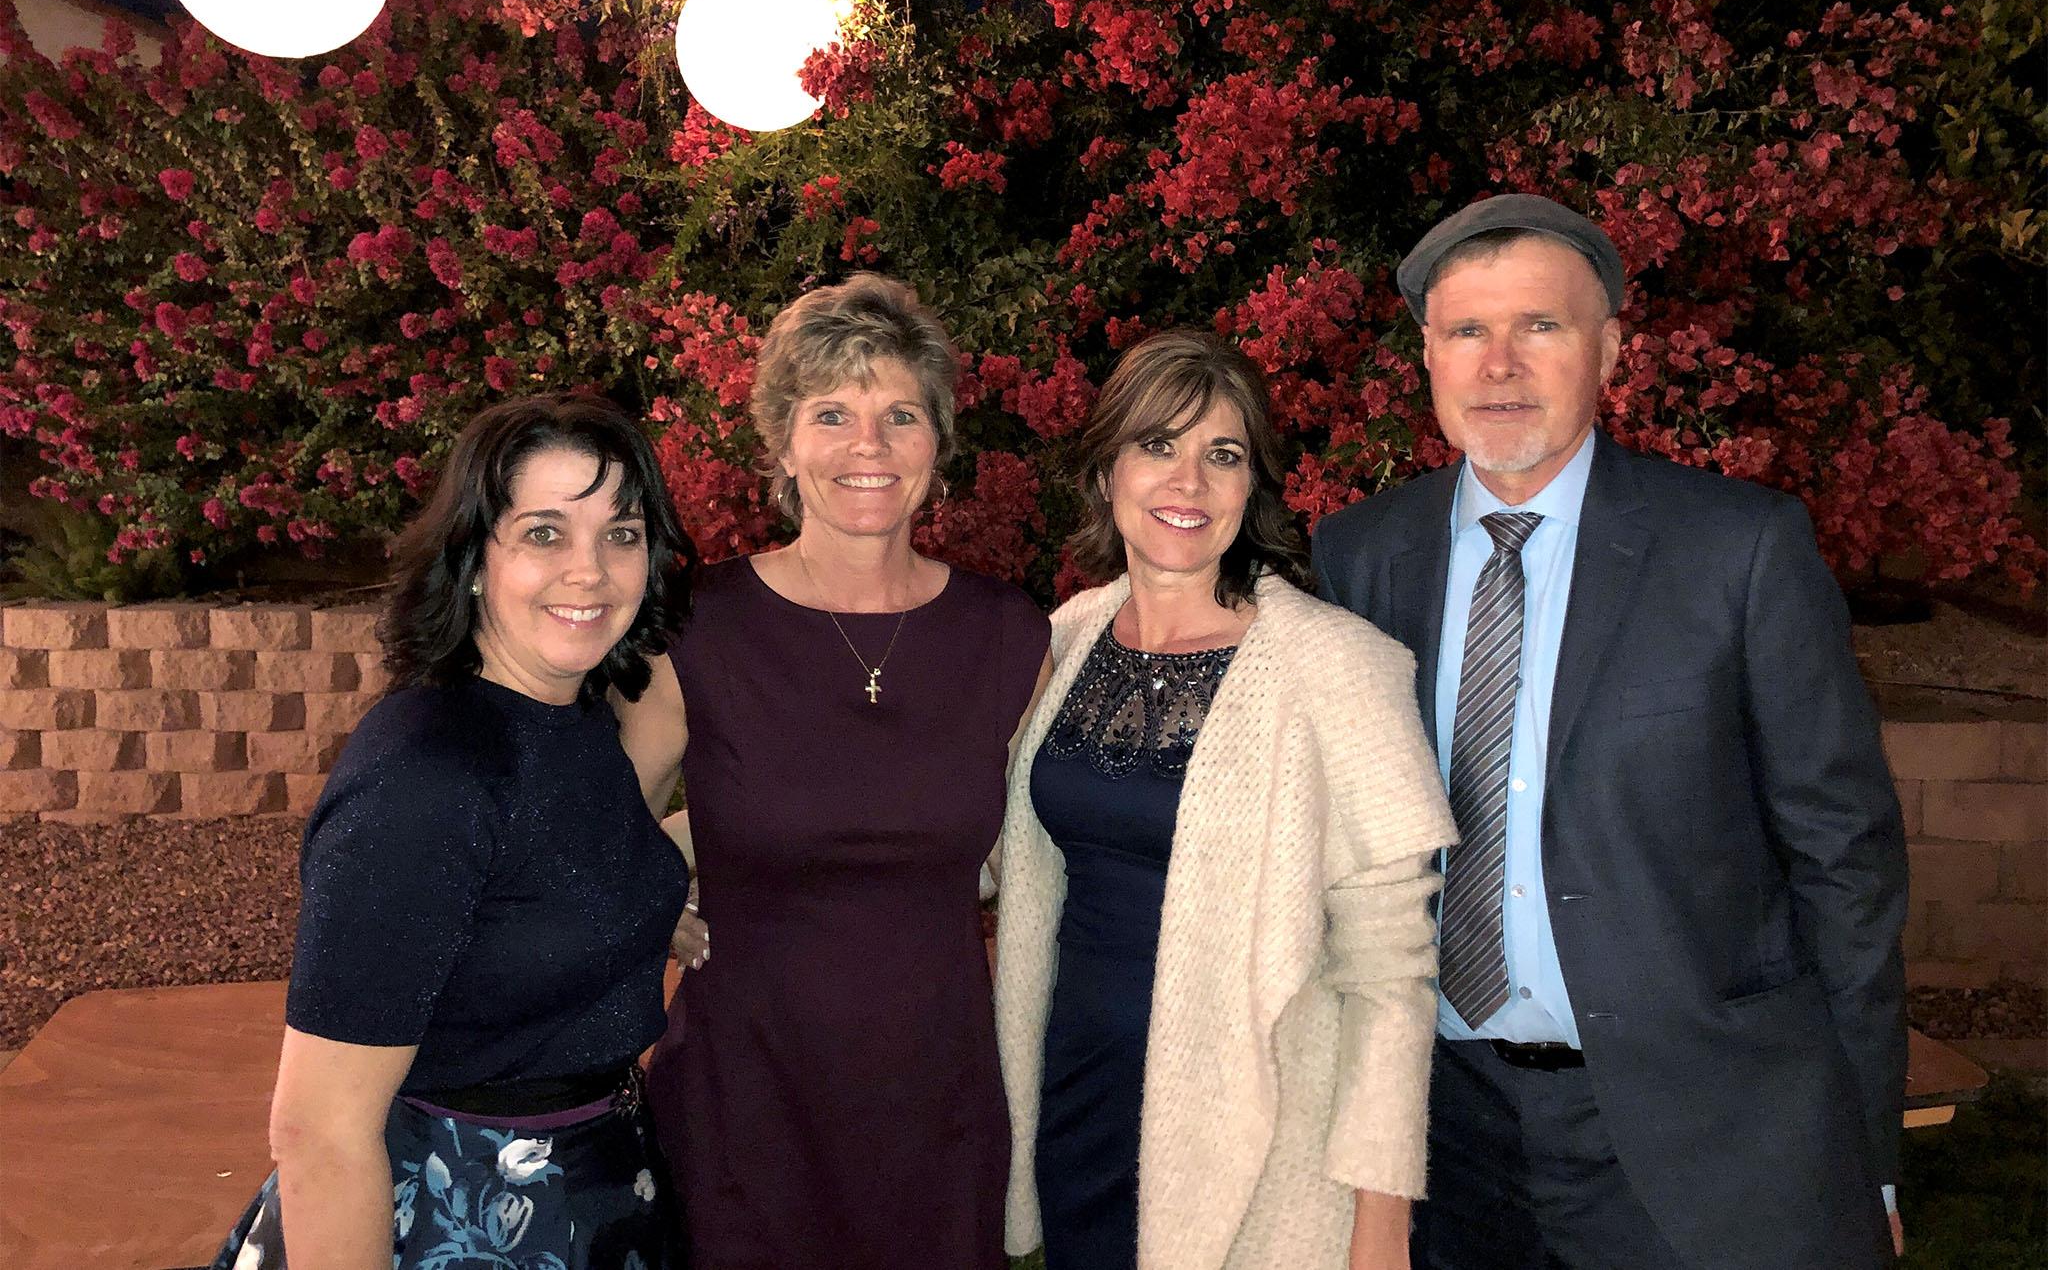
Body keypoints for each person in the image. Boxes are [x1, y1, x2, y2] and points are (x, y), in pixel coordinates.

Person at [1311, 194, 1909, 1270]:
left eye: (1538, 326)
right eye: (1465, 332)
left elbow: (1844, 861)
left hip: (1695, 1130)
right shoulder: (1359, 556)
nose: (1498, 365)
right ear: (1426, 358)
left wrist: (1864, 1149)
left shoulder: (1738, 550)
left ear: (1608, 349)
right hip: (1444, 1133)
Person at [993, 330, 1458, 1270]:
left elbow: (1391, 976)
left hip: (1263, 1139)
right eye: (1158, 444)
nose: (1189, 481)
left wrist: (1381, 1226)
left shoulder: (1338, 664)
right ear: (1107, 468)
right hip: (1079, 1103)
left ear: (1255, 487)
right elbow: (953, 834)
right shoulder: (1065, 638)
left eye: (1224, 453)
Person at [614, 272, 1051, 1270]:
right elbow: (588, 824)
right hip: (743, 1103)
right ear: (782, 443)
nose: (869, 446)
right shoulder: (701, 628)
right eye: (832, 414)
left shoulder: (1007, 636)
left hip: (936, 1106)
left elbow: (1045, 860)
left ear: (937, 445)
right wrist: (649, 899)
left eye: (899, 413)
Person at [212, 395, 698, 1270]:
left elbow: (543, 878)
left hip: (597, 1189)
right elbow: (319, 1129)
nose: (590, 571)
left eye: (620, 534)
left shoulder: (572, 716)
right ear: (474, 557)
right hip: (450, 1218)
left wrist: (645, 906)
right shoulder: (427, 773)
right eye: (545, 534)